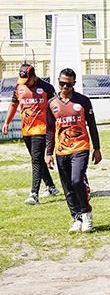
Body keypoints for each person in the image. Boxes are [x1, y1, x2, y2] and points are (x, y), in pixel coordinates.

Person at [45, 68, 102, 233]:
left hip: (80, 147)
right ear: (58, 81)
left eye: (68, 84)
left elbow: (92, 125)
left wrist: (97, 148)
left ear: (74, 84)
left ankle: (86, 213)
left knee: (77, 180)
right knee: (67, 186)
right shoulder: (52, 103)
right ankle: (76, 218)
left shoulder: (83, 101)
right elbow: (50, 130)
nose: (65, 87)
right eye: (62, 83)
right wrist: (49, 153)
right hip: (61, 150)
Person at [2, 63, 59, 205]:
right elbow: (14, 105)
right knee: (38, 159)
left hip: (42, 129)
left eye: (27, 80)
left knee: (36, 160)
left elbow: (56, 106)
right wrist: (7, 122)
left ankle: (34, 194)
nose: (25, 84)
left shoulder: (46, 88)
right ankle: (51, 187)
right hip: (26, 130)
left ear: (34, 77)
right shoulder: (19, 88)